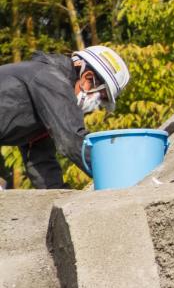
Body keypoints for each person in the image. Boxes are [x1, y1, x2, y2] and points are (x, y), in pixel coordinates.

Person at [0, 45, 129, 190]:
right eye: (101, 97)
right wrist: (118, 174)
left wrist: (59, 197)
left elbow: (41, 160)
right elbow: (73, 141)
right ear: (88, 78)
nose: (96, 105)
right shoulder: (52, 80)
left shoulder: (48, 102)